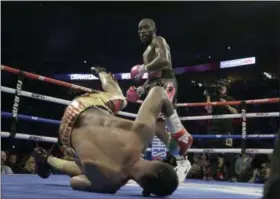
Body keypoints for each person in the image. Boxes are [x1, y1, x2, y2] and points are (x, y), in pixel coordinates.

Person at [32, 67, 181, 196]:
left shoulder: (142, 134)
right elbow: (75, 182)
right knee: (87, 168)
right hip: (65, 136)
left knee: (120, 99)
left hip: (81, 107)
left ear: (158, 163)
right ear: (146, 189)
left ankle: (103, 73)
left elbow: (158, 91)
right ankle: (49, 160)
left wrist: (173, 131)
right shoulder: (109, 185)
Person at [126, 18, 192, 182]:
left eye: (146, 27)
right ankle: (181, 159)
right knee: (158, 130)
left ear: (154, 29)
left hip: (167, 83)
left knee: (158, 122)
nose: (142, 31)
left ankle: (182, 144)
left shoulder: (159, 40)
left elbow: (164, 61)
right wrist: (141, 89)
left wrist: (143, 68)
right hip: (156, 85)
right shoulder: (145, 52)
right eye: (139, 28)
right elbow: (152, 77)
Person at [204, 79, 238, 181]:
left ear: (227, 87)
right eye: (220, 86)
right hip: (214, 128)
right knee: (213, 151)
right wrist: (208, 97)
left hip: (227, 128)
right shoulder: (213, 98)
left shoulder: (231, 99)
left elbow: (236, 113)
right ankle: (212, 174)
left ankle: (231, 175)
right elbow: (209, 110)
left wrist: (226, 104)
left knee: (229, 152)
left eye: (223, 86)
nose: (221, 88)